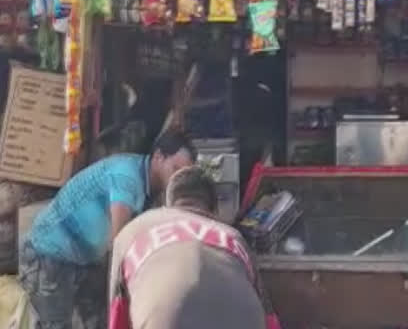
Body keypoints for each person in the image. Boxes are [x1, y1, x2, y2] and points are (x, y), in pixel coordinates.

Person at [19, 130, 197, 329]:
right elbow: (119, 242)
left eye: (182, 174)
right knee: (55, 324)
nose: (176, 177)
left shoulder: (152, 186)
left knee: (100, 320)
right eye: (175, 168)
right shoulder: (127, 177)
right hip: (49, 254)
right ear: (158, 157)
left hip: (84, 259)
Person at [109, 166, 266, 329]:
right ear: (214, 211)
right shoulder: (234, 238)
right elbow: (270, 321)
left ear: (167, 206)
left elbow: (117, 317)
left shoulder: (133, 231)